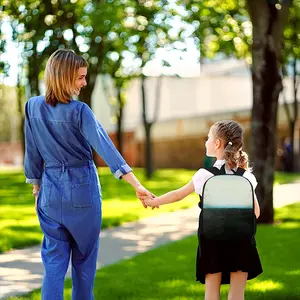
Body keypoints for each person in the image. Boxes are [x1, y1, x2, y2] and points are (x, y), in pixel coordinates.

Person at [24, 49, 153, 300]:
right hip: (82, 190)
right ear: (64, 77)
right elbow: (107, 148)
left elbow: (32, 153)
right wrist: (136, 184)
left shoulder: (32, 107)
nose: (84, 83)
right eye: (80, 77)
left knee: (53, 264)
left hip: (49, 193)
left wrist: (37, 189)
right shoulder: (79, 111)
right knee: (84, 264)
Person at [144, 120, 262, 300]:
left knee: (211, 294)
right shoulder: (247, 177)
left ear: (217, 144)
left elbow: (177, 195)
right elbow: (256, 212)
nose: (206, 142)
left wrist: (153, 202)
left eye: (208, 138)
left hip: (212, 243)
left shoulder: (204, 175)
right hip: (241, 243)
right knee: (237, 295)